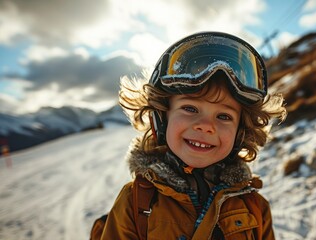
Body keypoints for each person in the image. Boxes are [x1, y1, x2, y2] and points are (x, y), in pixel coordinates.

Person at [99, 31, 286, 240]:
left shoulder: (255, 207)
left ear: (241, 132)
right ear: (162, 116)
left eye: (224, 116)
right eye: (190, 109)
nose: (206, 126)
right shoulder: (134, 203)